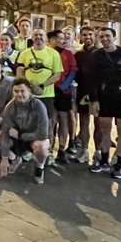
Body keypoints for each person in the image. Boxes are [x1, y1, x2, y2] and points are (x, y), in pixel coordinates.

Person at [89, 27, 121, 179]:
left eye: (107, 36)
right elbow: (93, 80)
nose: (105, 39)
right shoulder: (97, 55)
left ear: (114, 37)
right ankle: (104, 161)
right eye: (101, 36)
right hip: (104, 98)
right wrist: (95, 100)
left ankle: (120, 165)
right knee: (104, 130)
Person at [16, 28, 63, 164]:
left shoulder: (53, 54)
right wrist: (28, 87)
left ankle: (48, 152)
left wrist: (42, 86)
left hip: (46, 96)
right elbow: (19, 71)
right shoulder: (24, 53)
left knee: (48, 124)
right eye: (35, 35)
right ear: (32, 37)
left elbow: (57, 74)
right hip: (28, 96)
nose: (38, 37)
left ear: (46, 38)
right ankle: (28, 150)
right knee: (26, 123)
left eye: (41, 35)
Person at [0, 80, 51, 183]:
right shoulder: (9, 107)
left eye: (22, 91)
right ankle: (14, 159)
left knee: (41, 146)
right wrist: (4, 158)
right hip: (17, 139)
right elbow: (5, 131)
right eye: (16, 91)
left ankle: (39, 168)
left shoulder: (39, 106)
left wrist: (20, 135)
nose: (19, 94)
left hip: (33, 139)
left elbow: (42, 134)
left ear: (29, 90)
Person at [52, 29, 79, 164]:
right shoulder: (47, 52)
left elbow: (73, 71)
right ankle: (49, 148)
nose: (61, 41)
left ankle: (62, 149)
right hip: (49, 91)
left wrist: (63, 86)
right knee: (51, 120)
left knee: (63, 119)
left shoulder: (68, 54)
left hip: (63, 91)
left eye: (63, 38)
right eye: (59, 38)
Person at [73, 26, 98, 162]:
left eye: (90, 34)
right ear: (80, 37)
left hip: (99, 94)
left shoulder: (101, 53)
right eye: (84, 35)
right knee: (83, 123)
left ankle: (99, 152)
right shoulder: (78, 55)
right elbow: (76, 74)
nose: (87, 37)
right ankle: (84, 149)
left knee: (99, 124)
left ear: (94, 36)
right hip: (83, 91)